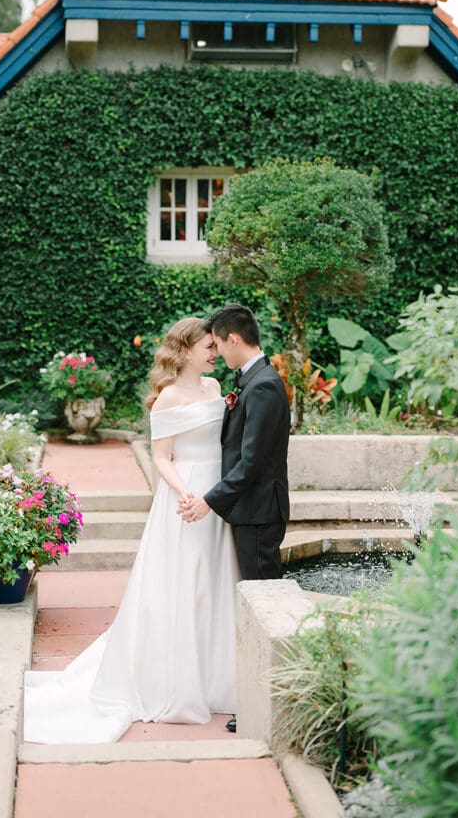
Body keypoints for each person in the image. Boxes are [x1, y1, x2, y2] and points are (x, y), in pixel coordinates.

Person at [23, 317, 238, 744]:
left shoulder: (215, 390)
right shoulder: (168, 399)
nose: (216, 353)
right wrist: (186, 493)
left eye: (216, 347)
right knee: (183, 584)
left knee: (213, 585)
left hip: (218, 495)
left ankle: (216, 679)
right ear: (186, 350)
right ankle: (175, 681)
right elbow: (162, 458)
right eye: (209, 347)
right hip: (187, 496)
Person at [178, 303, 290, 580]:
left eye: (217, 344)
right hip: (251, 508)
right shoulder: (252, 379)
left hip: (259, 511)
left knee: (264, 591)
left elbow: (251, 460)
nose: (216, 352)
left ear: (233, 339)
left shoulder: (263, 385)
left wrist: (209, 501)